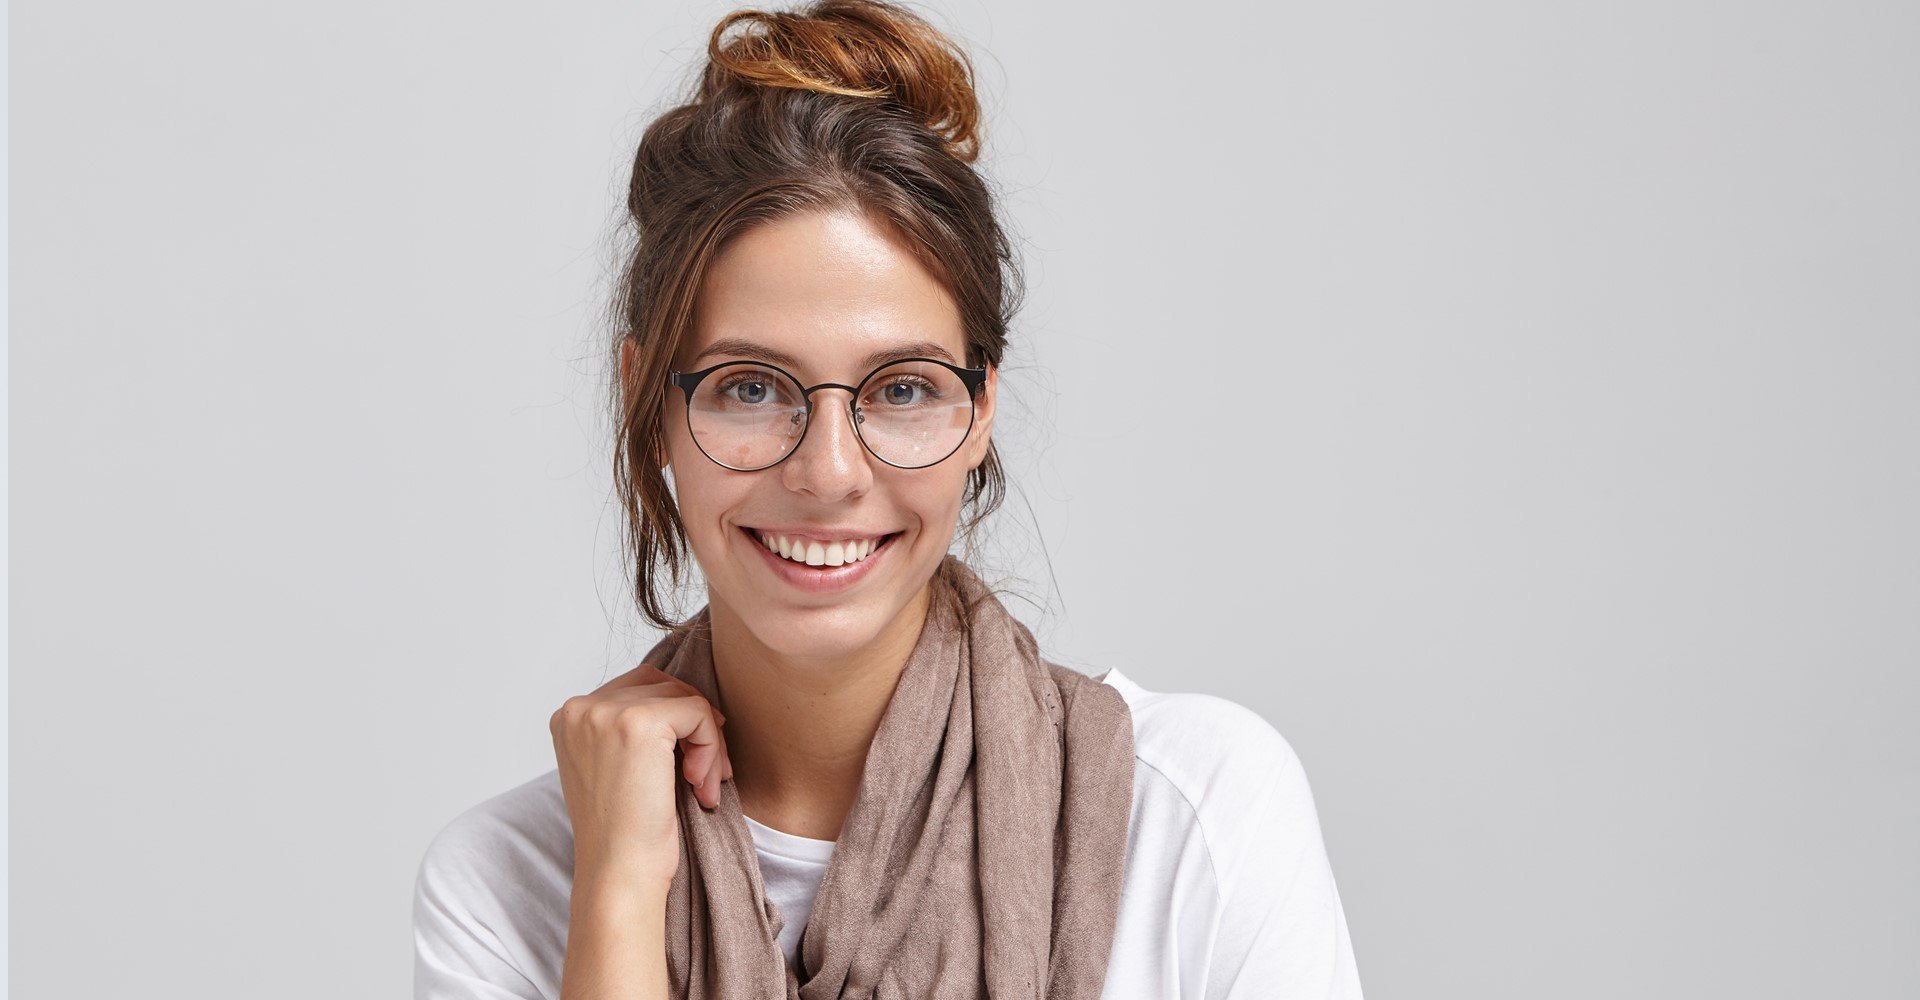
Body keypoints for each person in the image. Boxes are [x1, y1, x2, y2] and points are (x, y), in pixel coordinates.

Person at [412, 2, 1364, 997]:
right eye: (750, 386)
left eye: (902, 388)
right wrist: (615, 892)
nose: (828, 472)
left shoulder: (1188, 811)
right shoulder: (513, 880)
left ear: (982, 406)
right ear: (650, 402)